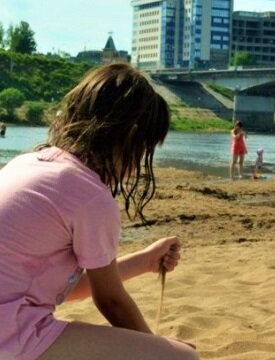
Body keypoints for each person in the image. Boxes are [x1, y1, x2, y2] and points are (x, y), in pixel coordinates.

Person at [0, 64, 197, 360]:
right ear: (131, 136)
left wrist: (145, 260)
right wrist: (159, 349)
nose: (138, 165)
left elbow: (71, 290)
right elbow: (111, 302)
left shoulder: (27, 163)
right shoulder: (89, 195)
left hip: (11, 322)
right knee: (182, 358)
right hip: (10, 333)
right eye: (144, 150)